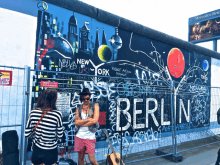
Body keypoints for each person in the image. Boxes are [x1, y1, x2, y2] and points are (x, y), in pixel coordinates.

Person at [25, 88, 63, 165]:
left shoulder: (33, 113)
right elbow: (60, 135)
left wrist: (37, 136)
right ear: (54, 100)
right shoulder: (57, 114)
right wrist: (51, 135)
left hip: (37, 149)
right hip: (51, 150)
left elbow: (27, 134)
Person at [74, 88, 100, 165]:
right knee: (80, 159)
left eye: (87, 98)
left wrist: (81, 122)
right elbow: (76, 122)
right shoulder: (79, 108)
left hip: (90, 136)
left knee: (92, 159)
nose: (85, 100)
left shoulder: (95, 106)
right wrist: (88, 120)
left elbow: (95, 120)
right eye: (84, 99)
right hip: (79, 136)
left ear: (90, 96)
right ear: (81, 98)